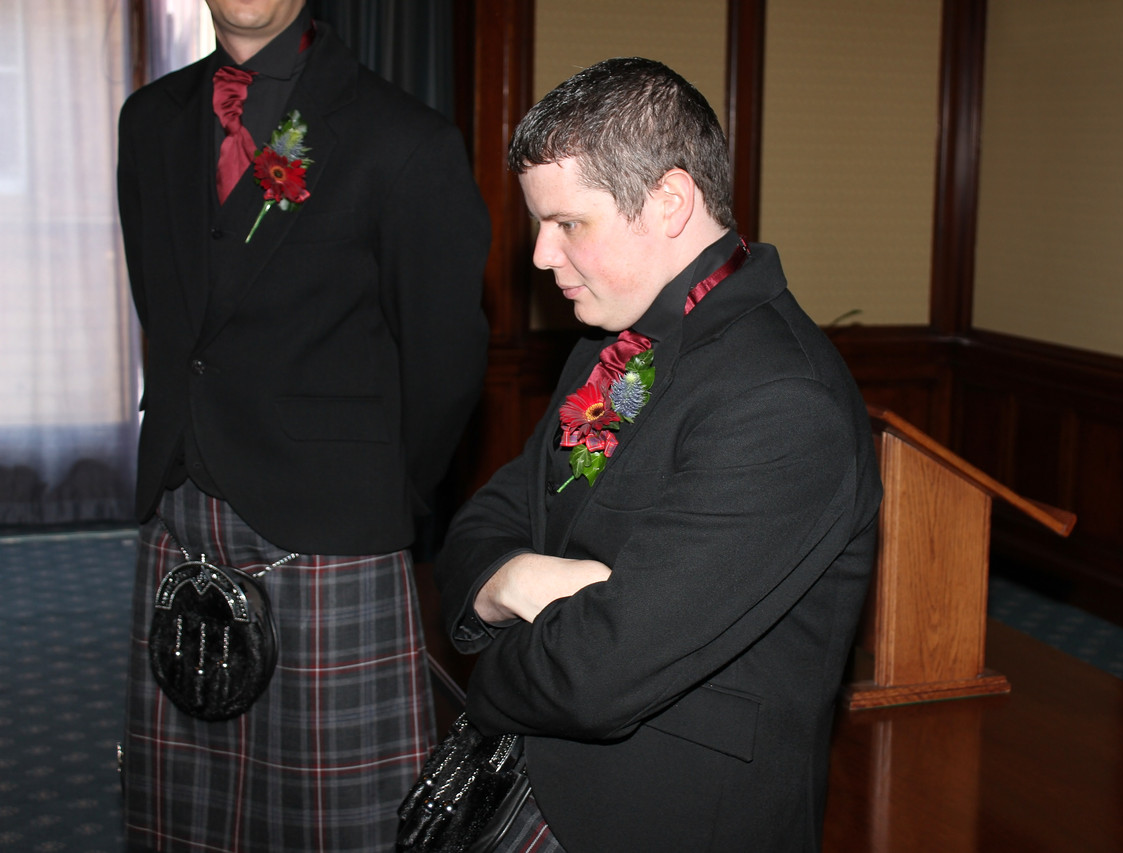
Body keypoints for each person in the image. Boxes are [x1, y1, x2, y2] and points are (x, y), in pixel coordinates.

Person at [433, 57, 882, 852]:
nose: (541, 255)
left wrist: (488, 662)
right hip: (550, 786)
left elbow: (594, 674)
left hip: (669, 816)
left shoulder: (785, 402)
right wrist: (516, 579)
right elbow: (485, 519)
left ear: (670, 201)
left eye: (568, 223)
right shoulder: (611, 341)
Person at [115, 0, 490, 849]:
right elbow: (167, 312)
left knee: (337, 827)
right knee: (185, 822)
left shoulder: (406, 140)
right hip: (181, 516)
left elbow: (445, 362)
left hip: (331, 541)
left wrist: (374, 497)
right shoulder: (150, 121)